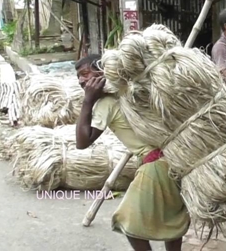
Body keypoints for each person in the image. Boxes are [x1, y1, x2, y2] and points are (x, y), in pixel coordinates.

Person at [74, 54, 190, 251]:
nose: (81, 80)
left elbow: (82, 142)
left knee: (127, 221)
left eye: (85, 73)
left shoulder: (107, 103)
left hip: (155, 167)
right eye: (78, 77)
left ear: (103, 71)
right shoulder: (133, 90)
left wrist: (87, 101)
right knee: (171, 219)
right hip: (174, 160)